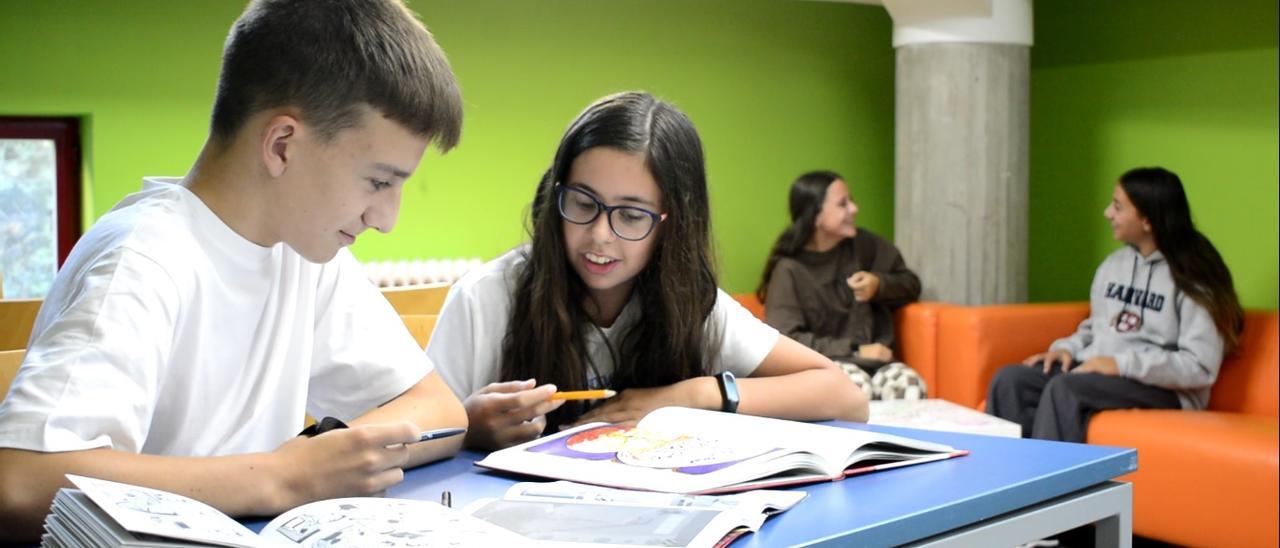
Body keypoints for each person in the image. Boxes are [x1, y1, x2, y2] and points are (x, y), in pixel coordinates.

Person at [0, 0, 467, 540]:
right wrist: (280, 477)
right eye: (379, 182)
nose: (386, 219)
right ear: (282, 144)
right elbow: (20, 482)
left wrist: (322, 461)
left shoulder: (303, 251)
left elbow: (439, 409)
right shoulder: (143, 258)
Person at [427, 91, 868, 450]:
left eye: (632, 215)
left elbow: (846, 397)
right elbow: (412, 437)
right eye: (583, 203)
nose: (600, 235)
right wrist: (468, 427)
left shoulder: (691, 302)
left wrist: (691, 396)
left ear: (670, 224)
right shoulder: (485, 298)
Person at [987, 167, 1243, 442]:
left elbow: (1199, 367)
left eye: (1118, 207)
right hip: (1104, 374)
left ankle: (1056, 485)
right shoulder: (1114, 266)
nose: (1108, 213)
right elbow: (1097, 328)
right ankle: (1010, 480)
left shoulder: (1195, 278)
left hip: (1164, 389)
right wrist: (1066, 349)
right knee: (1010, 381)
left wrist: (1120, 364)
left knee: (1065, 390)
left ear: (1147, 220)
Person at [756, 171, 925, 400]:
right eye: (843, 204)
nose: (854, 209)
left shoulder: (865, 246)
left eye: (851, 201)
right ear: (815, 216)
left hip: (879, 364)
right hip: (826, 367)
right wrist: (854, 350)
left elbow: (911, 284)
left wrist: (880, 285)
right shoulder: (789, 270)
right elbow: (786, 340)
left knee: (911, 386)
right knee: (855, 390)